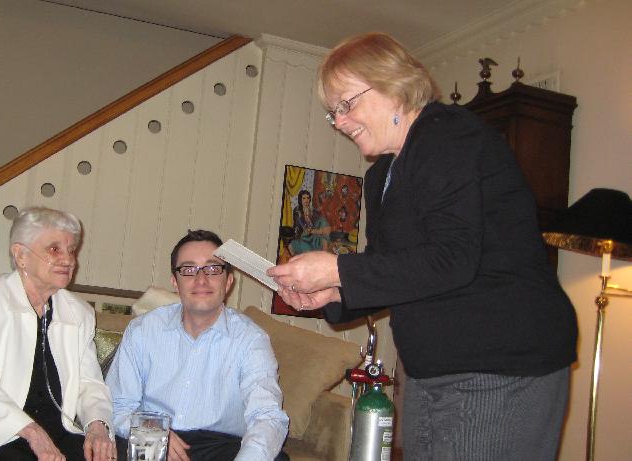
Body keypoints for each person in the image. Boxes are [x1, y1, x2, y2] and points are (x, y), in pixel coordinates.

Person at [267, 33, 577, 460]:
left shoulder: (447, 135)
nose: (339, 121)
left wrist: (336, 270)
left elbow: (452, 259)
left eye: (346, 104)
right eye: (333, 112)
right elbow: (394, 268)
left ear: (394, 85)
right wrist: (332, 293)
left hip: (500, 361)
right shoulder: (381, 176)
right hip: (432, 367)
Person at [0, 207, 116, 461]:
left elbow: (90, 384)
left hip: (58, 431)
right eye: (54, 249)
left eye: (71, 251)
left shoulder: (80, 313)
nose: (69, 260)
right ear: (21, 255)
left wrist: (97, 426)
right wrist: (31, 432)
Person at [106, 229, 289, 461]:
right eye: (188, 270)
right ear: (175, 282)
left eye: (212, 269)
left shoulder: (251, 339)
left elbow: (267, 416)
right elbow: (118, 406)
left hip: (219, 447)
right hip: (152, 438)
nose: (201, 279)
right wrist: (153, 432)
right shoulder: (142, 330)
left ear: (228, 281)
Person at [289, 189, 331, 254]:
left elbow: (318, 218)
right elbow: (302, 227)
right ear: (300, 199)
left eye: (308, 198)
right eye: (304, 198)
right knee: (306, 248)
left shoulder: (312, 209)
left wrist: (317, 230)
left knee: (322, 221)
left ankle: (324, 250)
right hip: (303, 236)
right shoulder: (297, 211)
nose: (306, 200)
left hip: (313, 234)